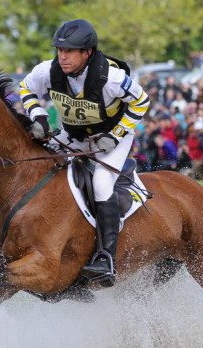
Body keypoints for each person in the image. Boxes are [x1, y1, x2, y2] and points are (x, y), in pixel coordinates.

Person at [19, 19, 149, 286]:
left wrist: (116, 135)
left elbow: (142, 101)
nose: (62, 57)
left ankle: (105, 259)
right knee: (40, 163)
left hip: (109, 136)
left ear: (87, 52)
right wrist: (39, 115)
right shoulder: (47, 71)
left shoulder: (111, 78)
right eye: (59, 50)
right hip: (74, 134)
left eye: (69, 51)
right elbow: (24, 88)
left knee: (101, 184)